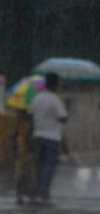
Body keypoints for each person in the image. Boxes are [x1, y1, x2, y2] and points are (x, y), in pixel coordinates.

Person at [28, 72, 68, 204]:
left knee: (38, 165)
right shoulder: (55, 99)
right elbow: (63, 117)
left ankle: (36, 190)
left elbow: (30, 115)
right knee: (49, 165)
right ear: (55, 85)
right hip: (52, 137)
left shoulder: (37, 98)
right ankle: (44, 192)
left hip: (37, 136)